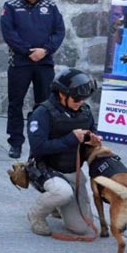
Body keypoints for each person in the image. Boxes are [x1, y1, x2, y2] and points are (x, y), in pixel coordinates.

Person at [25, 68, 99, 237]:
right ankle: (36, 215)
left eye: (83, 98)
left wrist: (93, 139)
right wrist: (71, 139)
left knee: (81, 228)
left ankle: (58, 206)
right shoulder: (42, 112)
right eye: (76, 98)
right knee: (62, 193)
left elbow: (92, 131)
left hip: (73, 170)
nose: (80, 102)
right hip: (47, 168)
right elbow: (38, 147)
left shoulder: (84, 111)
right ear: (61, 94)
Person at [0, 0, 65, 159]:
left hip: (44, 63)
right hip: (20, 63)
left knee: (44, 105)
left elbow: (59, 32)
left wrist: (44, 50)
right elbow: (9, 33)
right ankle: (15, 143)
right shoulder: (10, 6)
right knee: (15, 104)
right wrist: (29, 52)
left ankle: (41, 143)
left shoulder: (50, 7)